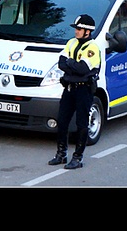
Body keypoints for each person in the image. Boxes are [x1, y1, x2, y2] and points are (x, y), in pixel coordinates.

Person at [48, 14, 101, 170]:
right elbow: (61, 63)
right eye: (76, 28)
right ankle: (61, 154)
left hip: (83, 89)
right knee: (62, 120)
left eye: (78, 29)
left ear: (87, 31)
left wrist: (71, 65)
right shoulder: (71, 43)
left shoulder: (92, 48)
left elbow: (83, 69)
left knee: (82, 123)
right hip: (69, 88)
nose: (76, 31)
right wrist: (73, 65)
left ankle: (78, 157)